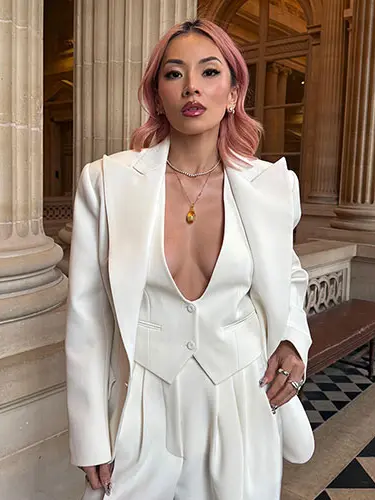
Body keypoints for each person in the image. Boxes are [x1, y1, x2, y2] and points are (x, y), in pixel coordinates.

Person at [65, 18, 314, 500]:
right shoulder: (106, 181)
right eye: (174, 73)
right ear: (157, 95)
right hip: (142, 398)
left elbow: (289, 275)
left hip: (242, 397)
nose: (192, 87)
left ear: (234, 92)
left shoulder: (272, 185)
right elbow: (87, 313)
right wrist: (90, 432)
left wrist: (292, 339)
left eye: (210, 71)